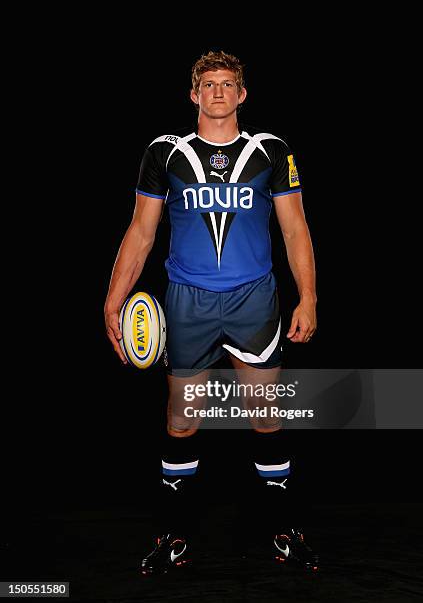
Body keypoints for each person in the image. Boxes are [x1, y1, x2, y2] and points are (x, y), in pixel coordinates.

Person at [104, 50, 318, 574]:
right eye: (208, 84)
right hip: (188, 300)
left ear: (242, 94)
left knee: (265, 417)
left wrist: (308, 296)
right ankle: (172, 536)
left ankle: (285, 532)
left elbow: (295, 230)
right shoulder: (165, 152)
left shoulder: (271, 150)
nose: (218, 92)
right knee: (182, 422)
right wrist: (113, 296)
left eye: (228, 84)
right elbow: (141, 231)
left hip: (254, 298)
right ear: (193, 94)